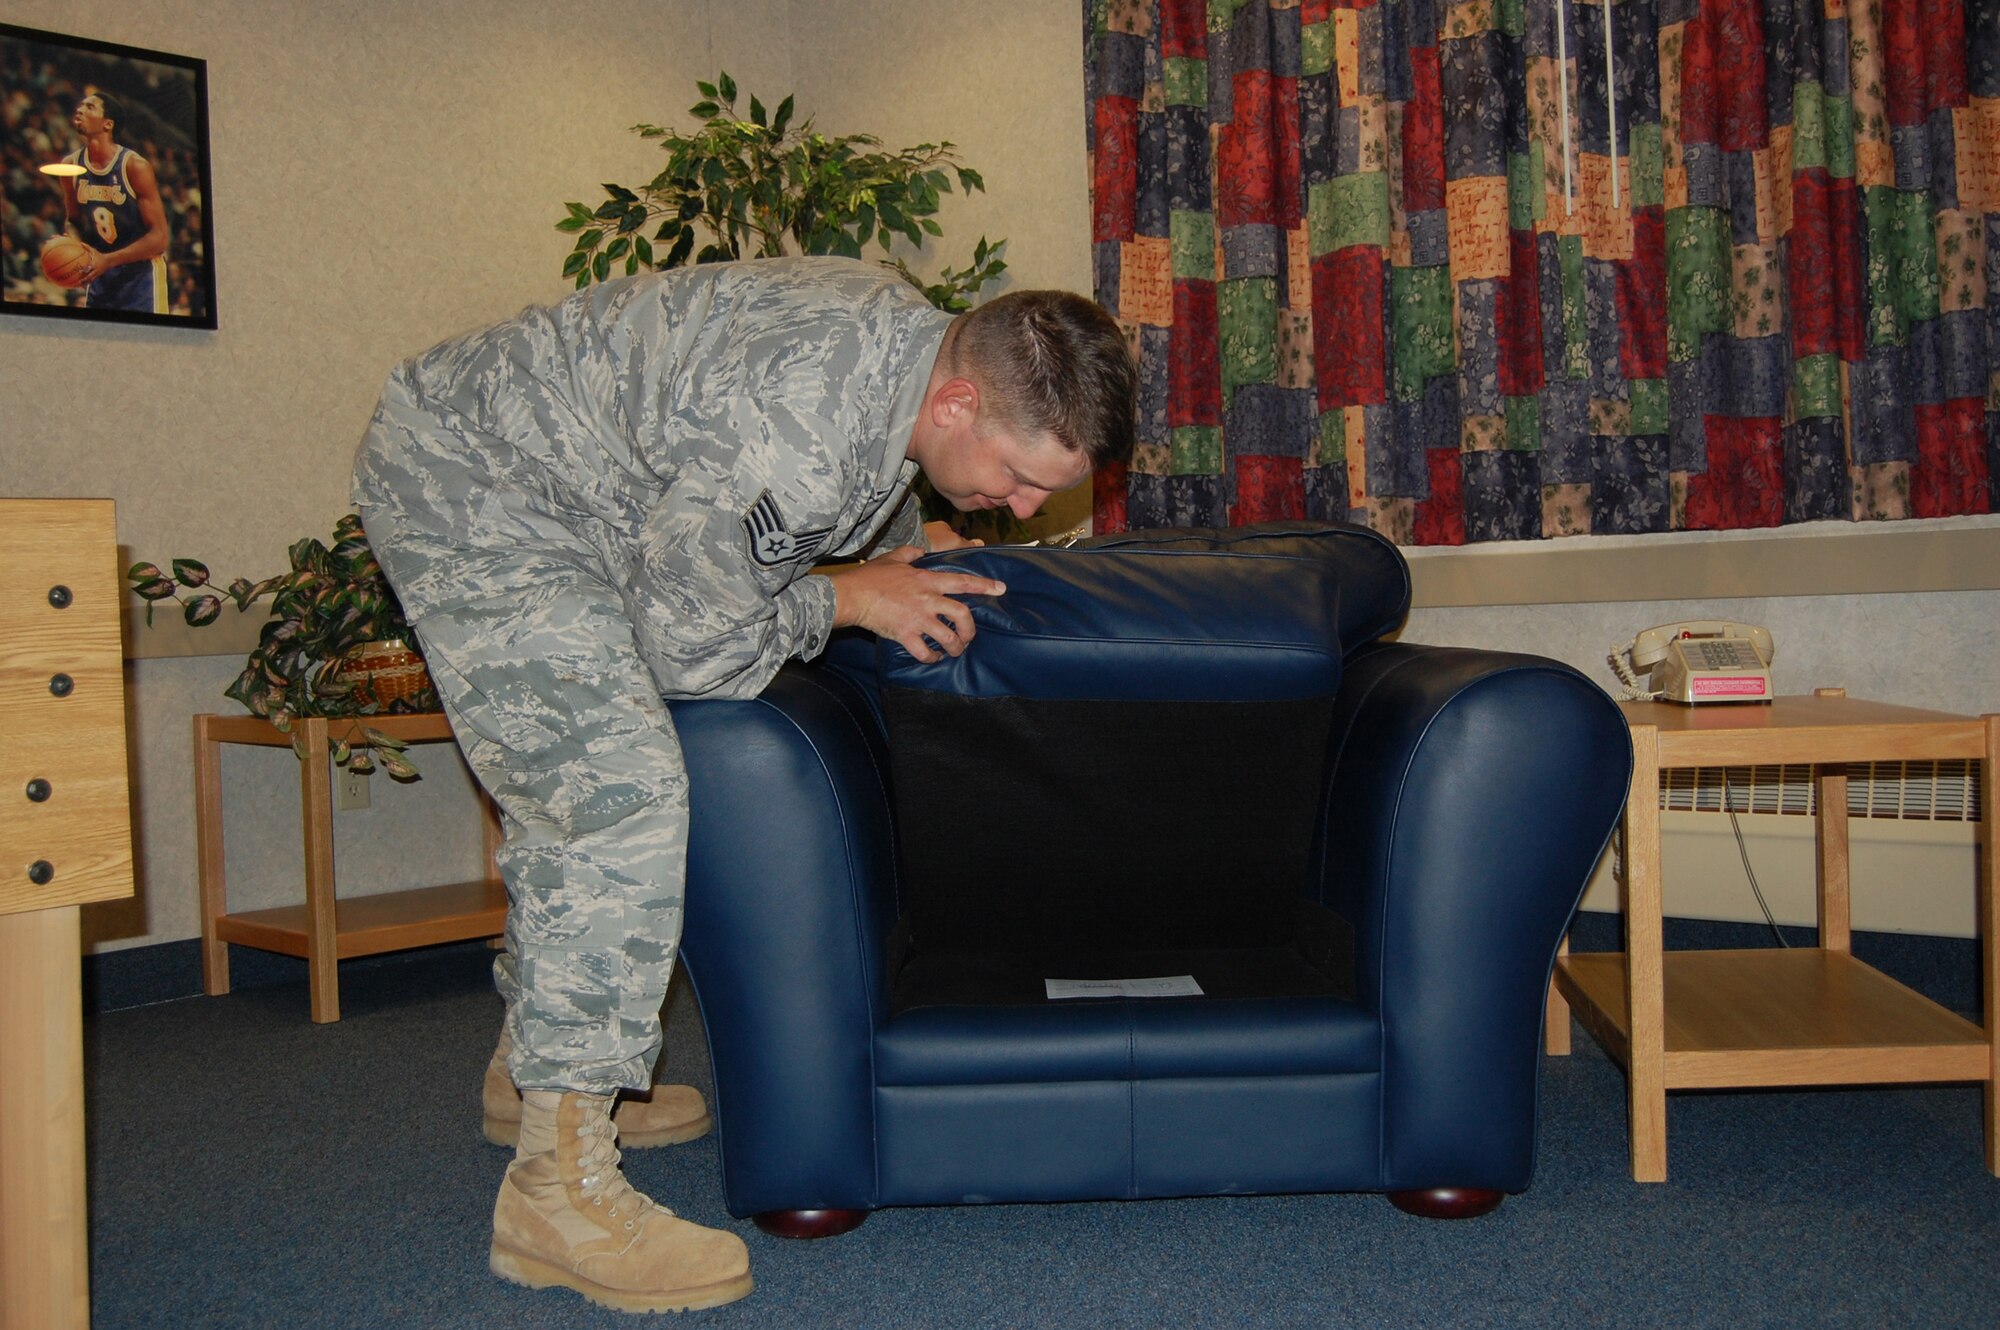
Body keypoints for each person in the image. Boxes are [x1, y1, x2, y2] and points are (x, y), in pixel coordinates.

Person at [352, 255, 1136, 1314]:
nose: (1030, 506)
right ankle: (554, 1189)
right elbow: (693, 648)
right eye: (1023, 475)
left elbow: (814, 485)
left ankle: (527, 1078)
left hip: (584, 495)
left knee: (599, 770)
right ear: (958, 401)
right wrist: (847, 602)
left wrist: (910, 538)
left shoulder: (907, 358)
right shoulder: (800, 424)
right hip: (475, 482)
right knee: (612, 786)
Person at [54, 90, 170, 313]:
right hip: (100, 274)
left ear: (108, 124)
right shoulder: (70, 166)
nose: (79, 109)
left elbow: (160, 238)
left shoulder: (134, 166)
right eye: (80, 105)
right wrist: (72, 245)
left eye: (89, 107)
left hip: (142, 277)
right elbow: (73, 220)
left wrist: (107, 260)